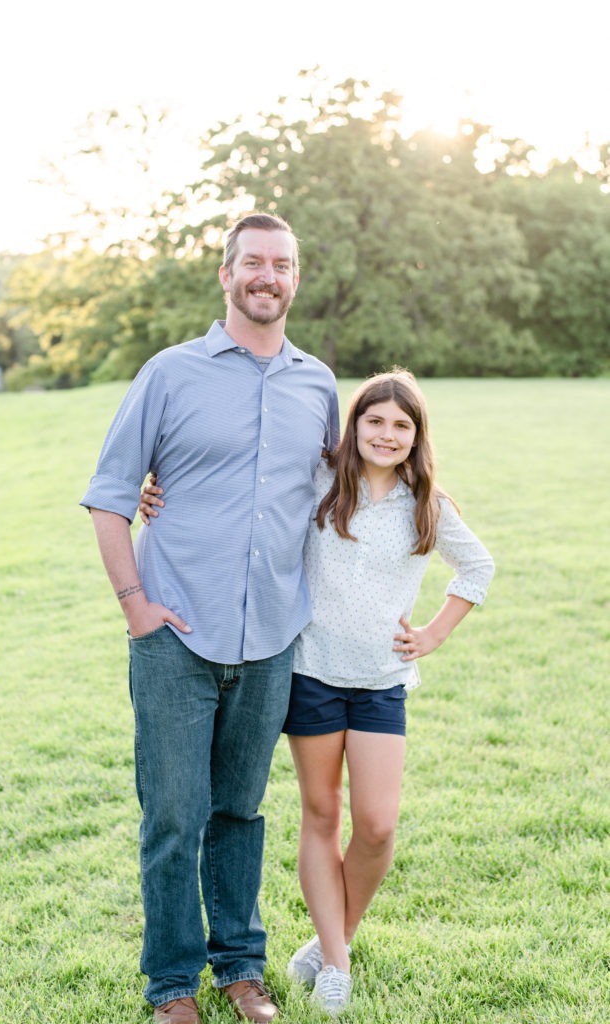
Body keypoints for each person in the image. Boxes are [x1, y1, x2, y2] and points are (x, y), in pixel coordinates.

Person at [140, 367, 494, 1016]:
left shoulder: (428, 504)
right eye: (374, 420)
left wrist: (435, 634)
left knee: (379, 826)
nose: (386, 434)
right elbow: (244, 493)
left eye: (401, 426)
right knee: (323, 815)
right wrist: (160, 493)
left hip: (382, 683)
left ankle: (335, 939)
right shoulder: (320, 482)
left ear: (417, 438)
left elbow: (479, 567)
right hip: (312, 675)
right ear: (352, 425)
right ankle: (334, 962)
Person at [80, 213, 339, 1024]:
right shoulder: (170, 373)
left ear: (296, 278)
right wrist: (136, 609)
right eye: (253, 262)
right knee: (173, 817)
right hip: (175, 637)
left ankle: (241, 967)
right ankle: (170, 987)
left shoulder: (318, 383)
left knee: (241, 811)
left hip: (269, 639)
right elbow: (111, 496)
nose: (269, 276)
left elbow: (340, 494)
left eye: (283, 264)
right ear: (226, 276)